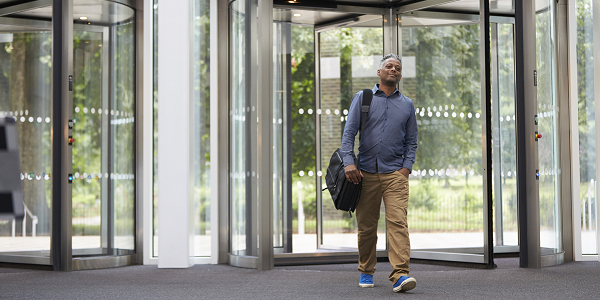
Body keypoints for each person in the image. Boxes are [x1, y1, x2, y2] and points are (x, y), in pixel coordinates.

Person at [340, 53, 418, 293]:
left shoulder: (407, 104)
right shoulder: (362, 98)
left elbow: (412, 141)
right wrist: (348, 163)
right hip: (364, 174)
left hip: (395, 173)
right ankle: (366, 271)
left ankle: (400, 275)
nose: (393, 69)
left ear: (400, 74)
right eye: (388, 66)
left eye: (397, 67)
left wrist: (406, 168)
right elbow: (348, 134)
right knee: (367, 227)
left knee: (398, 223)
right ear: (380, 72)